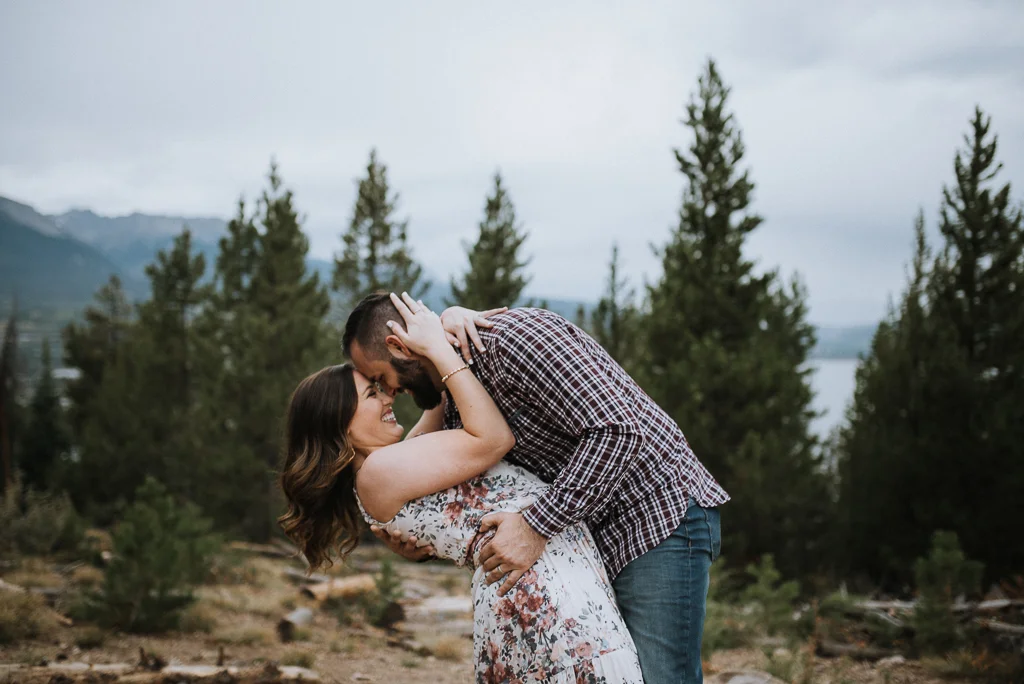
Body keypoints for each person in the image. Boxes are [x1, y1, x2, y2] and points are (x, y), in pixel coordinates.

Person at [344, 292, 729, 684]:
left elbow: (618, 432)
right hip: (589, 545)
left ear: (398, 347)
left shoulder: (512, 341)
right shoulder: (457, 395)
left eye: (380, 380)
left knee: (665, 679)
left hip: (653, 515)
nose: (390, 393)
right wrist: (414, 539)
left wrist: (534, 526)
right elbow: (452, 495)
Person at [280, 293, 643, 683]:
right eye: (373, 392)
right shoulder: (379, 472)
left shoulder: (393, 463)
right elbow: (492, 438)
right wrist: (442, 350)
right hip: (543, 591)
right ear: (340, 424)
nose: (389, 395)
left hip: (542, 582)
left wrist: (446, 327)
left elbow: (437, 398)